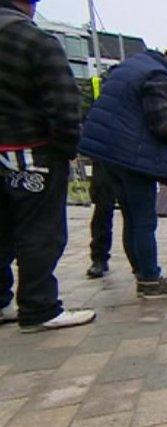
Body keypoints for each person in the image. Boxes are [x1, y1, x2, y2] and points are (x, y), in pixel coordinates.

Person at [0, 0, 96, 332]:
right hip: (33, 152)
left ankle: (1, 302)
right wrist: (66, 149)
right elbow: (64, 102)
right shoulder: (34, 40)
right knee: (41, 232)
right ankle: (39, 307)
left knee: (2, 231)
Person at [78, 48, 167, 299]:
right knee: (144, 220)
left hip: (108, 155)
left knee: (132, 217)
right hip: (131, 156)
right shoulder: (158, 76)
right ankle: (150, 280)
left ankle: (142, 272)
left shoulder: (131, 69)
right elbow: (165, 123)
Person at [85, 160, 115, 278]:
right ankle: (99, 258)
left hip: (129, 159)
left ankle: (141, 263)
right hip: (103, 160)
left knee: (134, 217)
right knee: (102, 212)